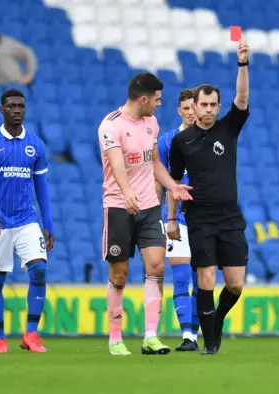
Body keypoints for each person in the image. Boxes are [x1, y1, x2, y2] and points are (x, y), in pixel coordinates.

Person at [99, 72, 192, 356]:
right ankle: (115, 338)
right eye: (157, 100)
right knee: (120, 274)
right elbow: (116, 163)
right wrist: (126, 192)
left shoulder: (150, 122)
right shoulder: (110, 125)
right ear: (143, 99)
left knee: (157, 266)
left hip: (150, 207)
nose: (159, 105)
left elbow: (154, 163)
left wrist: (172, 187)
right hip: (118, 206)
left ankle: (150, 336)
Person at [167, 39, 251, 355]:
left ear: (218, 106)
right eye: (203, 104)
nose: (208, 109)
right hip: (198, 217)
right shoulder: (181, 141)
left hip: (230, 218)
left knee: (235, 284)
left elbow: (242, 97)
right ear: (195, 106)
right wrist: (172, 218)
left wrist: (242, 64)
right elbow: (174, 181)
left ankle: (215, 322)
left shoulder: (229, 128)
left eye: (213, 104)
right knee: (205, 278)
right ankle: (211, 343)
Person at [0, 89, 53, 353]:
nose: (17, 110)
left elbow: (42, 187)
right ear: (1, 110)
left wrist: (48, 223)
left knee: (39, 270)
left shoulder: (36, 145)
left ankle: (31, 334)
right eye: (11, 106)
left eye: (21, 106)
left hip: (27, 220)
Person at [156, 88, 199, 351]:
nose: (191, 113)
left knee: (202, 278)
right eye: (186, 109)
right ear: (179, 111)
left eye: (195, 107)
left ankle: (196, 331)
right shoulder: (166, 141)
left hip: (205, 219)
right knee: (182, 275)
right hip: (176, 218)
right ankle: (188, 335)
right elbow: (158, 181)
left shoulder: (212, 139)